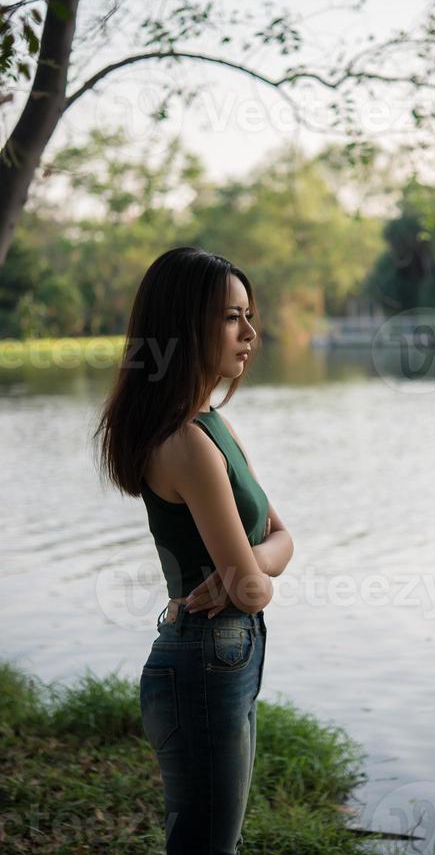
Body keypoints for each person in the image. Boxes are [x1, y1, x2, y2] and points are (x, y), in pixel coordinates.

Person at [93, 246, 294, 854]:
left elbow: (285, 538)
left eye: (249, 315)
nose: (251, 333)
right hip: (206, 660)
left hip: (228, 654)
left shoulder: (214, 428)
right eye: (233, 317)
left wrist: (249, 568)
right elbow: (258, 581)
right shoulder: (186, 444)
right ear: (186, 325)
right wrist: (255, 573)